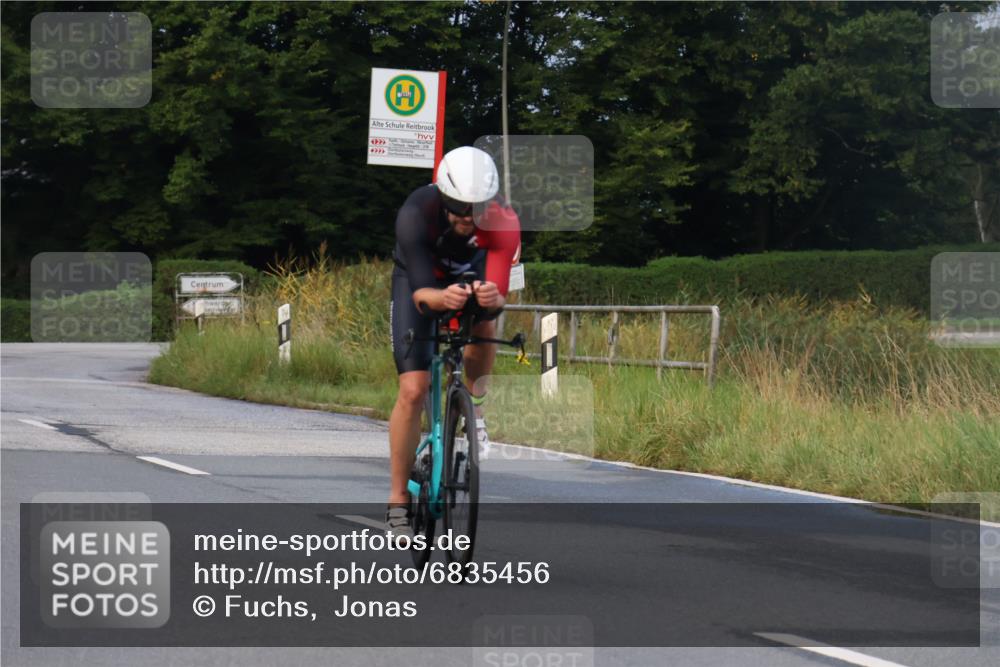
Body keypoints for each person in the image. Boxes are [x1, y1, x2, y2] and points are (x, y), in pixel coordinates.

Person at [386, 146, 521, 541]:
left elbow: (496, 295)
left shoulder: (504, 222)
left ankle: (473, 407)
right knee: (413, 389)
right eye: (459, 208)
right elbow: (421, 296)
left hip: (471, 278)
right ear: (443, 199)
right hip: (420, 281)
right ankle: (397, 500)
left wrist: (493, 298)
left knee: (485, 317)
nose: (468, 217)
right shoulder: (415, 214)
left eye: (477, 209)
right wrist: (442, 298)